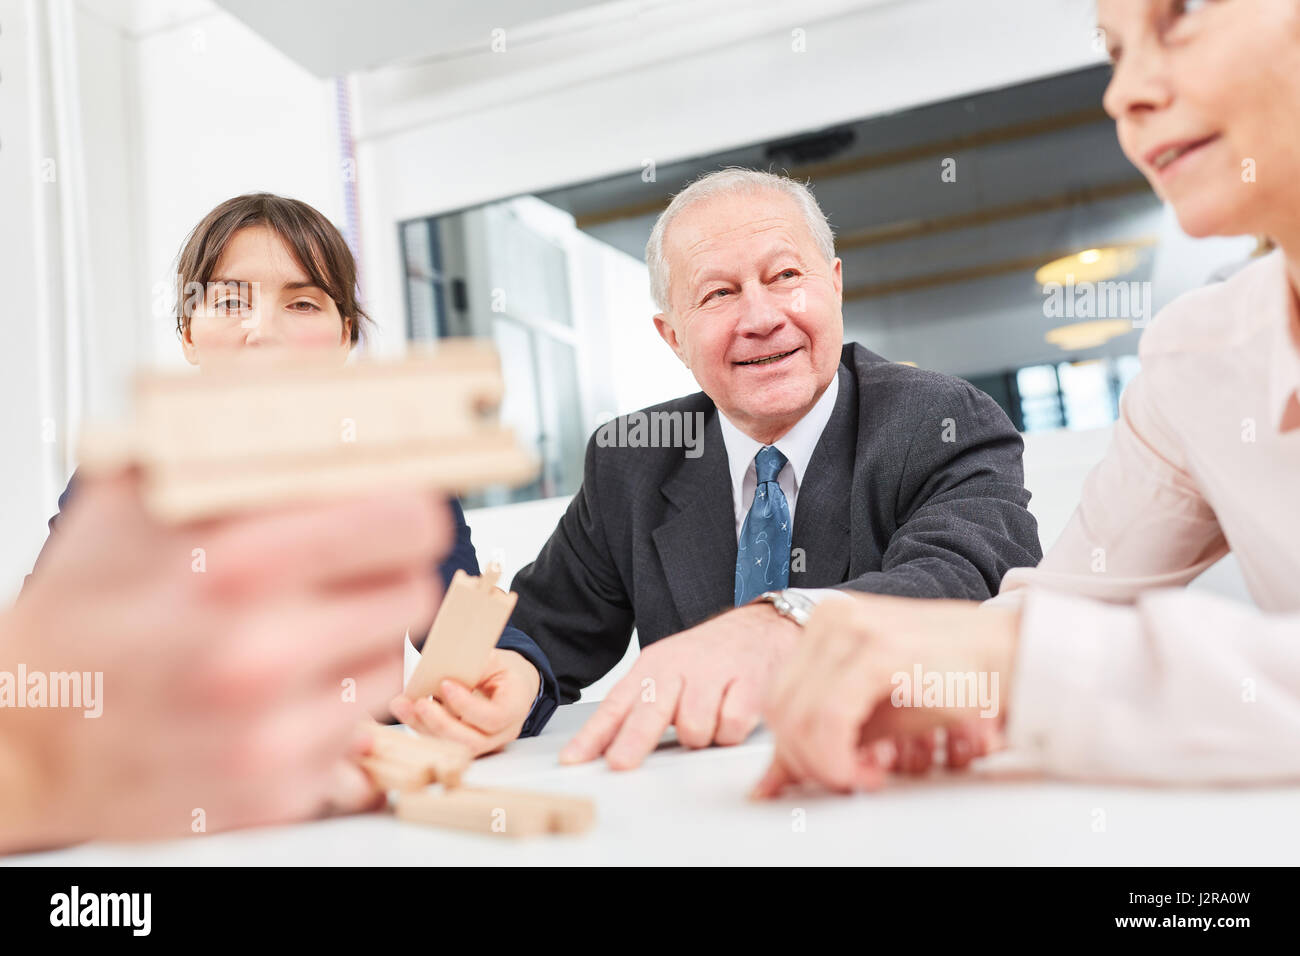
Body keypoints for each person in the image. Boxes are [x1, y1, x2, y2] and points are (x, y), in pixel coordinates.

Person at [756, 0, 1300, 796]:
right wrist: (932, 685)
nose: (1123, 94)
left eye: (1180, 16)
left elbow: (1031, 656)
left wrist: (1009, 669)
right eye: (1113, 51)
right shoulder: (1198, 355)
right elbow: (1069, 605)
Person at [389, 168, 1042, 769]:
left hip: (894, 795)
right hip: (701, 817)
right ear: (672, 337)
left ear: (835, 284)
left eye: (786, 276)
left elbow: (969, 584)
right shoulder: (632, 458)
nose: (761, 318)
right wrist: (513, 684)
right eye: (719, 293)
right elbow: (541, 634)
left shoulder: (942, 420)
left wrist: (780, 622)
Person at [21, 193, 557, 753]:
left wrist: (518, 672)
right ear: (187, 335)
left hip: (345, 802)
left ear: (346, 336)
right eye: (229, 302)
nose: (262, 332)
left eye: (302, 305)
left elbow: (465, 621)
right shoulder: (119, 483)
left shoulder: (398, 479)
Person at [1, 470, 449, 853]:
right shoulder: (124, 492)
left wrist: (513, 662)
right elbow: (50, 618)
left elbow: (457, 605)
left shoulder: (385, 479)